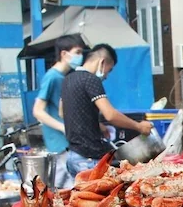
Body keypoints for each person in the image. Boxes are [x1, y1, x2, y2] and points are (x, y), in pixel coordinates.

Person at [61, 44, 153, 178]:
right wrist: (139, 126)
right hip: (89, 159)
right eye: (109, 70)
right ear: (102, 62)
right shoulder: (90, 80)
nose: (106, 76)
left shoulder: (68, 79)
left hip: (72, 157)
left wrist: (97, 125)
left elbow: (62, 111)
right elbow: (110, 115)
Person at [33, 34, 85, 188]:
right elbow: (38, 111)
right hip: (58, 141)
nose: (80, 57)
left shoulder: (64, 77)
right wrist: (62, 127)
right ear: (64, 54)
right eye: (77, 52)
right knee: (66, 187)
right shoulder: (52, 77)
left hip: (66, 140)